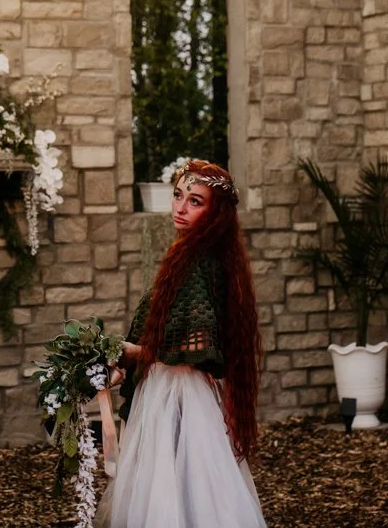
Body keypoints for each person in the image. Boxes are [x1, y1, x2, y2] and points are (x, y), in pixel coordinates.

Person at [97, 159, 266, 528]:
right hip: (176, 392)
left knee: (174, 486)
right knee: (185, 487)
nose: (180, 207)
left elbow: (194, 347)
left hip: (178, 394)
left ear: (215, 212)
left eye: (195, 201)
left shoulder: (196, 261)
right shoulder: (202, 255)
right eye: (178, 196)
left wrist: (131, 352)